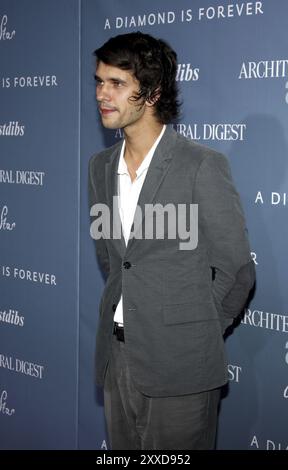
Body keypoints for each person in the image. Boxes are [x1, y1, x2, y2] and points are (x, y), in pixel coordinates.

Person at [89, 31, 255, 450]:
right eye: (99, 81)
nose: (102, 94)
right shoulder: (99, 168)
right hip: (117, 360)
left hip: (181, 367)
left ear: (152, 92)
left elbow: (237, 269)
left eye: (117, 84)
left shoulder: (201, 165)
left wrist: (196, 330)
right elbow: (113, 260)